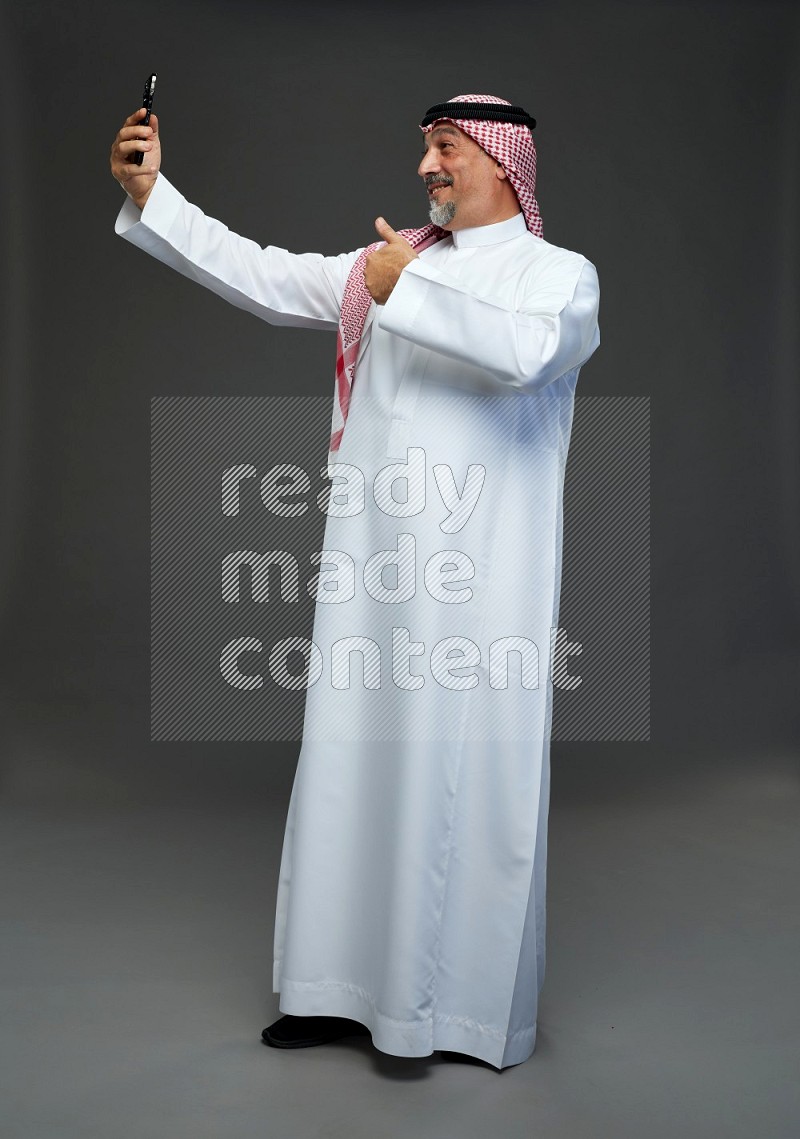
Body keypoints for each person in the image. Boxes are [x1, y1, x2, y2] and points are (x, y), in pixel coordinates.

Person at [110, 93, 600, 1069]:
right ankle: (330, 991)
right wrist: (152, 192)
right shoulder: (390, 264)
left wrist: (400, 288)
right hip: (371, 574)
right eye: (424, 147)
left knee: (458, 781)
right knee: (349, 767)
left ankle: (451, 1014)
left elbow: (528, 353)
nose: (426, 166)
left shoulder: (558, 276)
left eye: (445, 148)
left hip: (478, 589)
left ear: (503, 163)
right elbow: (260, 275)